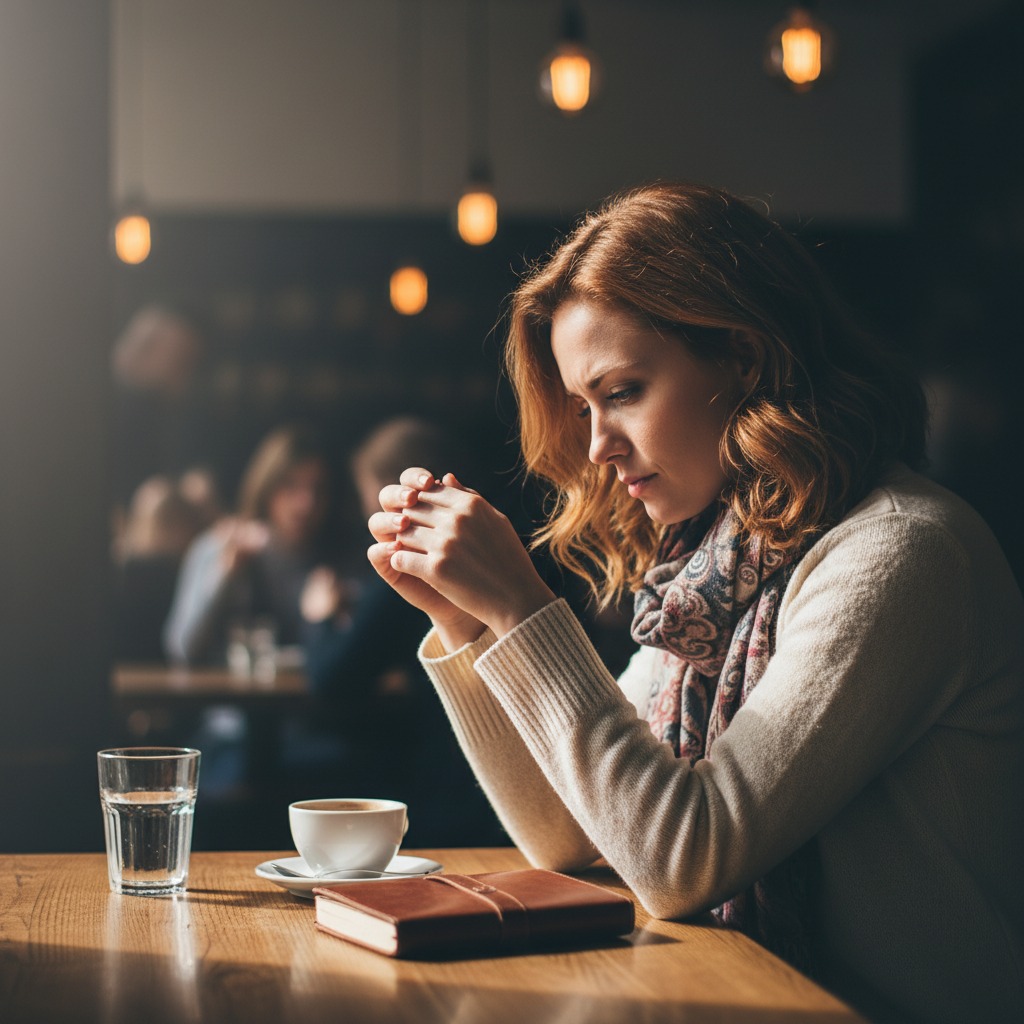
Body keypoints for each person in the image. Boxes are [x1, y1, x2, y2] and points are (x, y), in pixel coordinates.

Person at [366, 183, 1024, 1022]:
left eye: (624, 390)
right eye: (581, 406)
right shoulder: (721, 570)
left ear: (744, 360)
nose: (598, 445)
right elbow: (574, 834)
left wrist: (527, 612)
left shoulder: (898, 551)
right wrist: (463, 619)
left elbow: (683, 858)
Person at [164, 423, 333, 665]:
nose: (306, 503)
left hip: (305, 701)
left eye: (318, 489)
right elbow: (181, 648)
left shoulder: (333, 561)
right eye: (290, 485)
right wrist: (224, 575)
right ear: (267, 485)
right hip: (231, 700)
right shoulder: (218, 545)